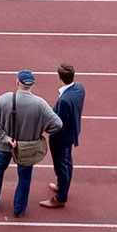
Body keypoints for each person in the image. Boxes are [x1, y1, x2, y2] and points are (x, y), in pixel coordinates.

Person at [0, 69, 61, 218]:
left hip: (3, 145)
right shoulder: (40, 104)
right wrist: (40, 130)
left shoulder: (5, 99)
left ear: (17, 82)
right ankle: (19, 209)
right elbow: (57, 124)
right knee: (25, 178)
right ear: (33, 84)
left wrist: (5, 137)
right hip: (27, 147)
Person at [43, 63, 83, 208]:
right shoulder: (79, 88)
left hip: (61, 137)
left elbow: (58, 123)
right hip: (72, 131)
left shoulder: (64, 101)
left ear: (59, 76)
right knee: (67, 161)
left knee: (61, 166)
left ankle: (61, 198)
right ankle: (62, 186)